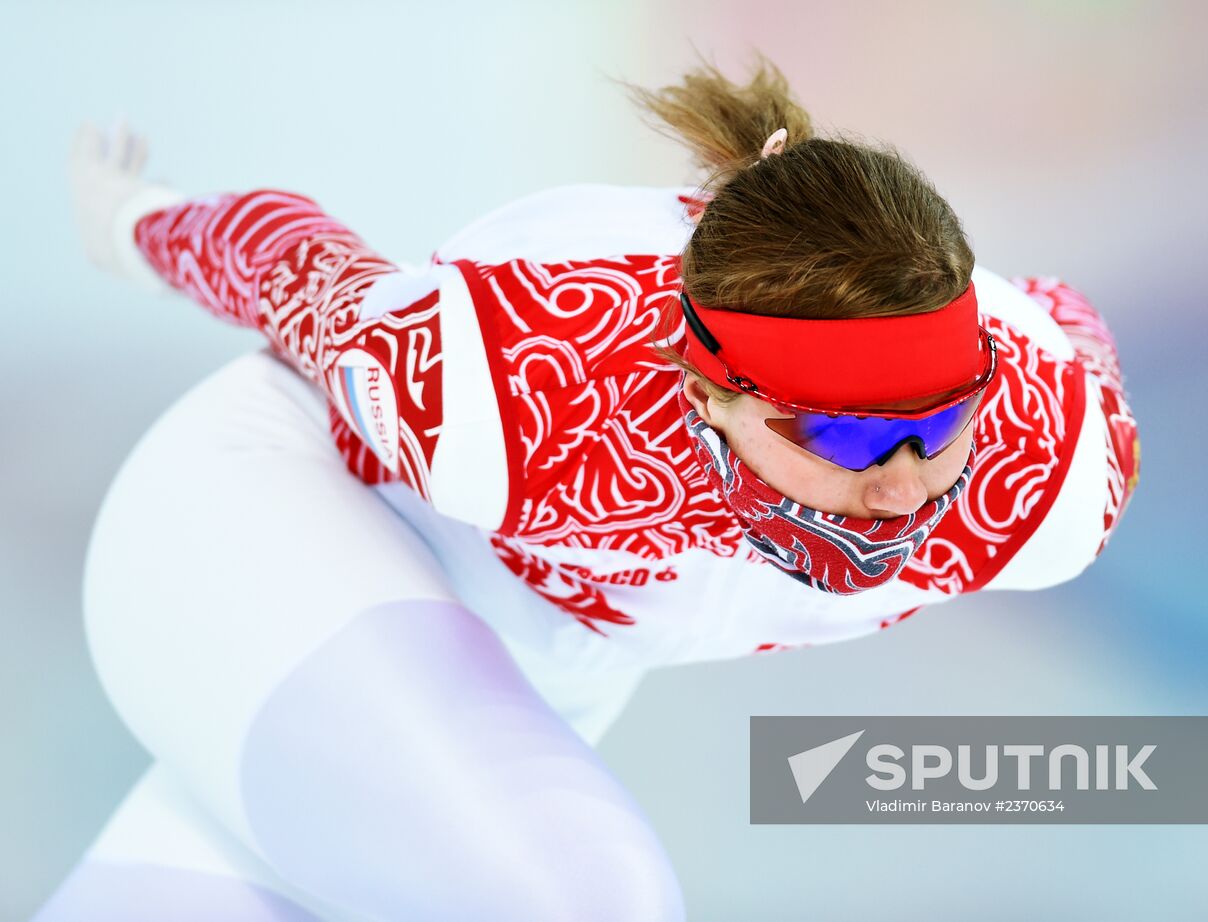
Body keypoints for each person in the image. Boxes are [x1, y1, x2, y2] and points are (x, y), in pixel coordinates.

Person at [41, 56, 1140, 921]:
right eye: (843, 433)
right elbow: (304, 270)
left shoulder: (1041, 465)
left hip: (529, 648)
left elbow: (1063, 318)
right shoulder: (523, 381)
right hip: (280, 512)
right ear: (704, 388)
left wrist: (946, 409)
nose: (902, 488)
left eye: (937, 422)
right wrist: (136, 218)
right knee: (578, 897)